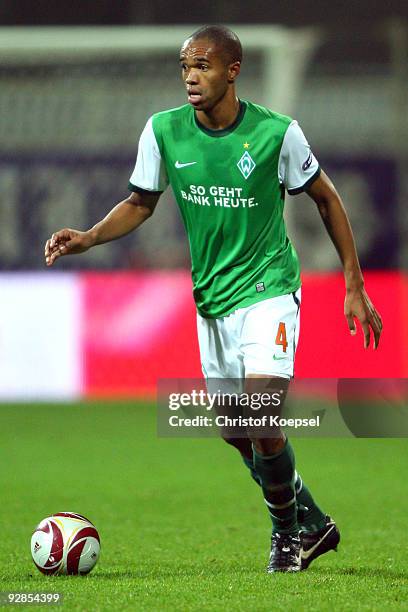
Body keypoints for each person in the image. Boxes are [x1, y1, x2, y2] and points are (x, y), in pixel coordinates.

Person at [44, 25, 383, 573]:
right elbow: (141, 202)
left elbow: (326, 196)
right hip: (213, 301)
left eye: (202, 66)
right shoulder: (163, 131)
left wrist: (353, 282)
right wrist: (89, 235)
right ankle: (314, 521)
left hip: (269, 289)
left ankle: (287, 537)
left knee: (261, 416)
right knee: (233, 428)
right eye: (184, 67)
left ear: (233, 71)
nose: (191, 78)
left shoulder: (278, 133)